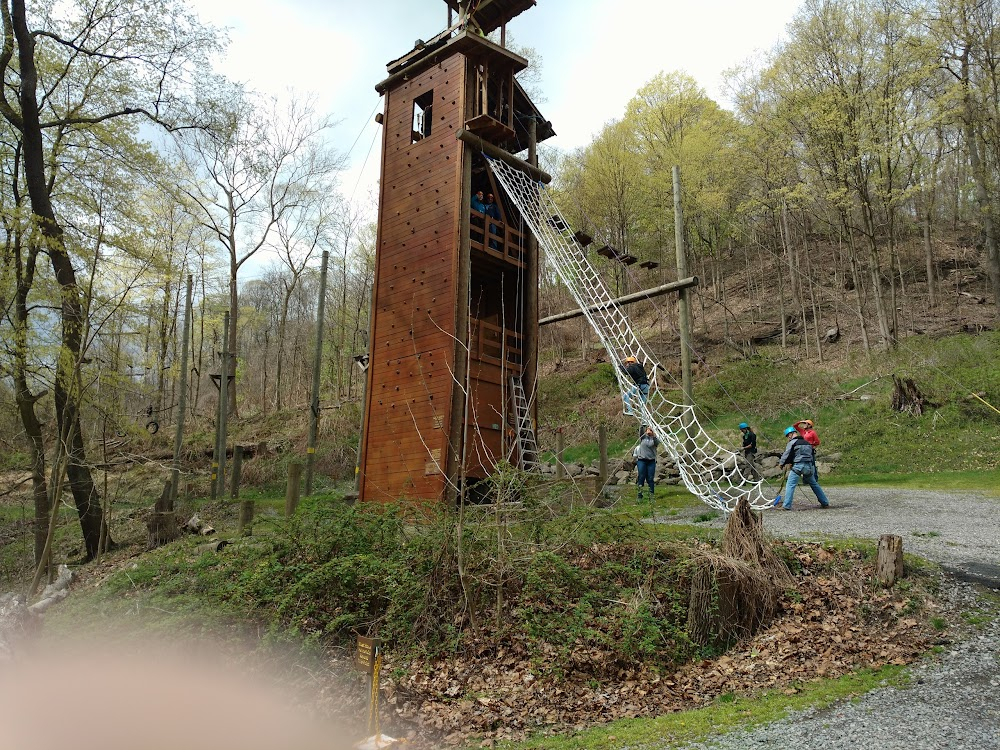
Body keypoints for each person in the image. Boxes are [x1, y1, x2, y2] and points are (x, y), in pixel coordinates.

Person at [777, 426, 830, 510]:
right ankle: (825, 502)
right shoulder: (807, 443)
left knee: (790, 485)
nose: (788, 438)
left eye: (787, 436)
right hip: (809, 466)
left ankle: (786, 506)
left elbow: (786, 454)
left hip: (798, 466)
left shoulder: (792, 443)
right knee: (814, 484)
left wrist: (781, 464)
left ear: (790, 435)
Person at [634, 426, 659, 502]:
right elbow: (641, 430)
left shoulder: (655, 439)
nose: (649, 431)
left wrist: (653, 434)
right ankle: (639, 495)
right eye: (648, 429)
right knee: (641, 477)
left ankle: (651, 496)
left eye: (651, 430)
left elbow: (656, 442)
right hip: (641, 460)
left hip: (651, 461)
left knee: (650, 478)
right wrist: (644, 426)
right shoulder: (643, 438)